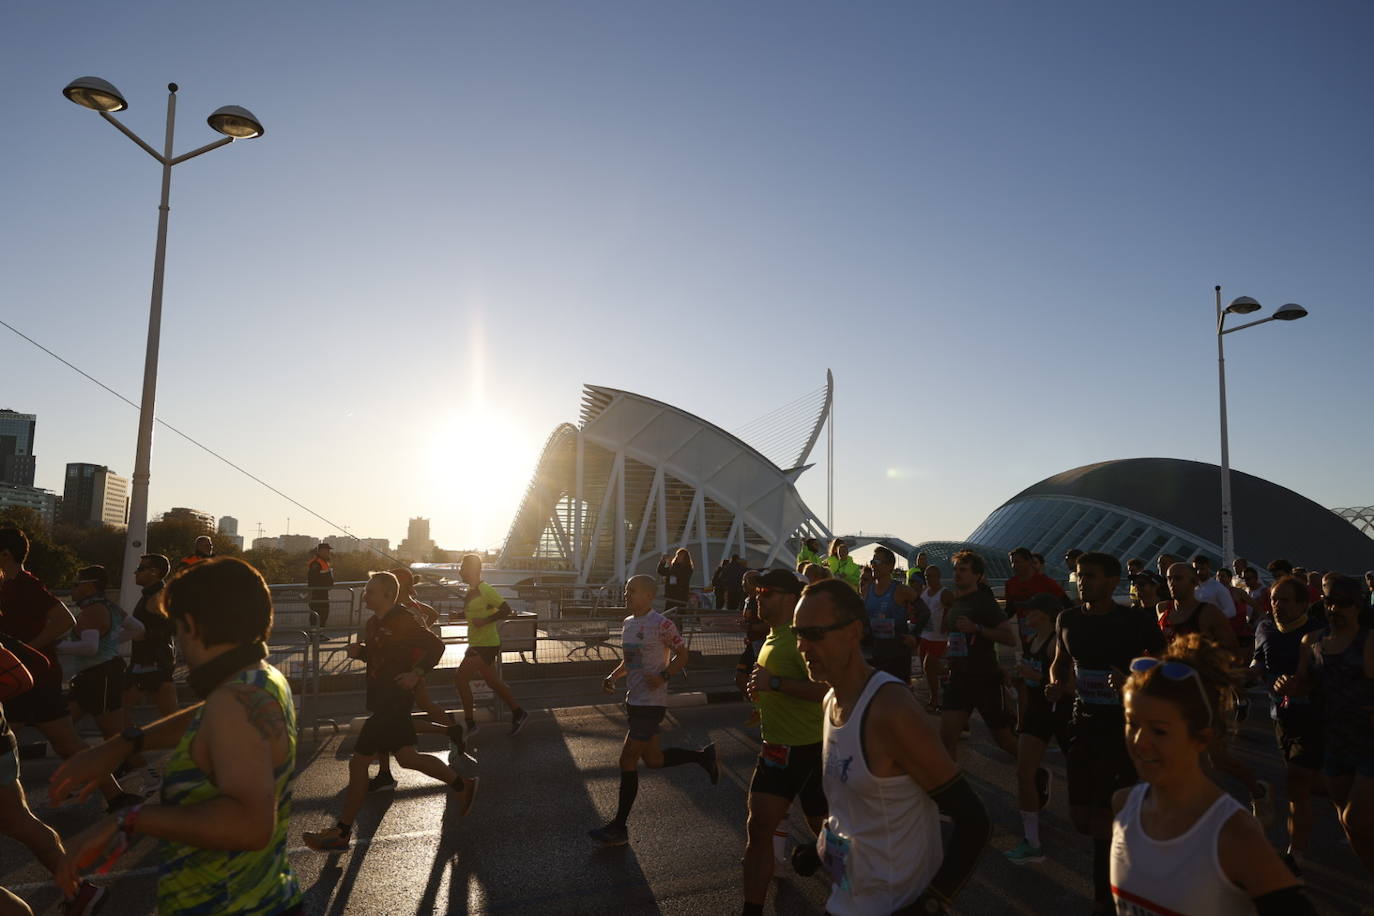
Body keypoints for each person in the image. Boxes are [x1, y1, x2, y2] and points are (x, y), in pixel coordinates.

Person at [51, 557, 305, 914]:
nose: (180, 643)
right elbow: (208, 719)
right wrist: (126, 743)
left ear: (192, 625)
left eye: (178, 631)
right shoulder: (259, 680)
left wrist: (128, 818)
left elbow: (250, 825)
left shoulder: (233, 703)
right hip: (264, 899)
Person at [794, 579, 990, 914]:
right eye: (797, 634)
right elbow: (853, 809)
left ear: (854, 631)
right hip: (846, 899)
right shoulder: (830, 700)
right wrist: (819, 848)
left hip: (892, 905)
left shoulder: (890, 708)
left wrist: (931, 902)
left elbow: (973, 820)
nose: (802, 647)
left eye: (814, 634)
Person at [1111, 634, 1314, 915]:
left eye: (1159, 730)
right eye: (1132, 724)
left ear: (1201, 738)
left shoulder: (1232, 834)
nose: (1140, 741)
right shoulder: (1124, 807)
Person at [303, 572, 477, 851]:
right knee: (408, 758)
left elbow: (436, 645)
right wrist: (360, 652)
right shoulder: (373, 623)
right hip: (381, 698)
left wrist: (416, 674)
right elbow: (379, 655)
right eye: (365, 590)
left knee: (358, 763)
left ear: (387, 595)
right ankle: (462, 784)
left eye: (370, 591)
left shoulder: (403, 619)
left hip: (394, 701)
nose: (365, 596)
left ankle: (342, 831)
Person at [1047, 551, 1164, 914]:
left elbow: (1169, 662)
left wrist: (1134, 680)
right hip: (1083, 723)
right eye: (1080, 575)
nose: (1083, 581)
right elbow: (1060, 661)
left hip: (1125, 729)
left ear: (1113, 582)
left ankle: (1112, 898)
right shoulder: (1067, 618)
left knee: (1107, 823)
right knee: (1082, 819)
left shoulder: (1135, 621)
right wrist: (1054, 683)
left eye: (1092, 576)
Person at [0, 528, 139, 814]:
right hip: (23, 679)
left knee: (68, 745)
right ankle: (115, 796)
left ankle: (116, 795)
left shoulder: (26, 584)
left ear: (6, 554)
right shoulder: (7, 584)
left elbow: (64, 619)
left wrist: (27, 650)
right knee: (65, 745)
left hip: (34, 680)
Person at [589, 575, 717, 845]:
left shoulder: (662, 624)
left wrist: (664, 677)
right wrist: (613, 677)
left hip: (652, 703)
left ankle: (619, 828)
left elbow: (683, 656)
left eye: (632, 591)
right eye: (625, 590)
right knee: (654, 760)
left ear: (648, 595)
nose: (626, 595)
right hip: (634, 700)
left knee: (627, 761)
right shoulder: (627, 624)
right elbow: (629, 661)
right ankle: (702, 757)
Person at [741, 569, 827, 915]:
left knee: (830, 833)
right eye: (758, 591)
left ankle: (865, 898)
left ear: (791, 598)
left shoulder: (801, 639)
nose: (760, 597)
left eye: (768, 592)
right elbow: (771, 684)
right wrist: (762, 692)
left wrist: (774, 685)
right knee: (758, 827)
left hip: (812, 750)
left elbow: (829, 691)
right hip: (776, 748)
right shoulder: (774, 637)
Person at [1160, 562, 1272, 828]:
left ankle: (1257, 791)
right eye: (1169, 578)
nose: (1173, 583)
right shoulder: (1166, 615)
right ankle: (1198, 817)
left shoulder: (1207, 613)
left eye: (1179, 578)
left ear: (1193, 582)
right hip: (1177, 694)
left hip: (1207, 693)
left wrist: (1210, 667)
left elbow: (1231, 648)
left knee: (1216, 758)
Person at [1281, 574, 1374, 876]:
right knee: (1351, 825)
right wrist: (1288, 686)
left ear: (1357, 606)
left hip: (1369, 741)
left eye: (1343, 603)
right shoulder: (1312, 643)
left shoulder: (1369, 643)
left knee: (1355, 818)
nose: (1335, 608)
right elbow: (1303, 686)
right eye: (1330, 601)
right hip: (1334, 741)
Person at [1250, 575, 1326, 873]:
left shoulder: (1317, 634)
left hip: (1315, 716)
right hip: (1281, 716)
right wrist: (1250, 672)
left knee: (1297, 781)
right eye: (1273, 599)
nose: (1276, 605)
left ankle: (1295, 855)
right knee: (1304, 785)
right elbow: (1258, 660)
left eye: (1284, 600)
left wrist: (1302, 683)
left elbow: (1331, 678)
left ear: (1302, 603)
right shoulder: (1264, 627)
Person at [369, 568, 466, 792]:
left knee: (389, 720)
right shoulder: (411, 603)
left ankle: (386, 773)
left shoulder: (403, 608)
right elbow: (431, 614)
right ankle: (451, 731)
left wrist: (415, 646)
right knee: (422, 706)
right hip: (409, 667)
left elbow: (430, 639)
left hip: (407, 669)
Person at [1005, 593, 1071, 866]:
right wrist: (1020, 677)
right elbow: (1031, 678)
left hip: (1062, 713)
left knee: (1084, 775)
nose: (1025, 617)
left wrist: (1039, 677)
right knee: (1023, 772)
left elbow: (1071, 686)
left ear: (1044, 615)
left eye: (1030, 612)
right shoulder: (1032, 639)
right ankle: (1032, 842)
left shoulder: (1057, 642)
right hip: (1036, 712)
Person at [57, 566, 145, 770]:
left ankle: (148, 777)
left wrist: (56, 647)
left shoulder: (92, 612)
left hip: (101, 676)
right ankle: (76, 776)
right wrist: (113, 642)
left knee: (114, 736)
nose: (72, 589)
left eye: (75, 584)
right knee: (61, 730)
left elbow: (90, 647)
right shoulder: (111, 606)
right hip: (92, 677)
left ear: (89, 586)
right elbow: (138, 628)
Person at [939, 550, 1018, 760]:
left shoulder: (984, 602)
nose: (957, 574)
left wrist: (977, 629)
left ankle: (1032, 769)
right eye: (955, 569)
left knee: (1004, 739)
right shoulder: (953, 601)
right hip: (958, 676)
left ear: (977, 575)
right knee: (946, 738)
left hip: (984, 676)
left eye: (963, 570)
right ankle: (951, 788)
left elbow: (1009, 638)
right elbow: (949, 633)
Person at [452, 554, 528, 736]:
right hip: (479, 642)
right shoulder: (471, 591)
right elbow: (474, 612)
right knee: (492, 681)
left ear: (471, 569)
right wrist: (459, 615)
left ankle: (470, 724)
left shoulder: (485, 589)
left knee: (460, 678)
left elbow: (505, 609)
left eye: (462, 567)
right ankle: (518, 712)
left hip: (485, 644)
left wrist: (485, 621)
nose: (460, 571)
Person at [125, 554, 177, 720]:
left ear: (154, 572)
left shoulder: (159, 597)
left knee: (172, 718)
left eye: (141, 569)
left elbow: (176, 627)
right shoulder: (149, 595)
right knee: (119, 711)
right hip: (143, 664)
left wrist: (146, 634)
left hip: (155, 666)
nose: (136, 573)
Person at [860, 547, 919, 683]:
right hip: (874, 654)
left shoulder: (902, 590)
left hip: (897, 655)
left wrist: (915, 636)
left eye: (877, 561)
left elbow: (925, 612)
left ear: (890, 566)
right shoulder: (866, 590)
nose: (873, 564)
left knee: (897, 698)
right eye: (872, 561)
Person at [917, 565, 952, 713]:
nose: (928, 578)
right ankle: (948, 674)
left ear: (938, 576)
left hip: (939, 637)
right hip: (925, 635)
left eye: (930, 576)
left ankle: (934, 699)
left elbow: (953, 608)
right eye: (926, 576)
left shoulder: (945, 593)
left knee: (928, 665)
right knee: (927, 669)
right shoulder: (924, 592)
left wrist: (947, 623)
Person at [306, 542, 333, 627]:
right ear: (320, 551)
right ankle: (314, 635)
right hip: (317, 594)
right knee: (317, 615)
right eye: (327, 551)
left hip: (323, 593)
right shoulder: (316, 563)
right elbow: (313, 580)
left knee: (324, 614)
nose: (329, 553)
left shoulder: (323, 562)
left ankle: (319, 634)